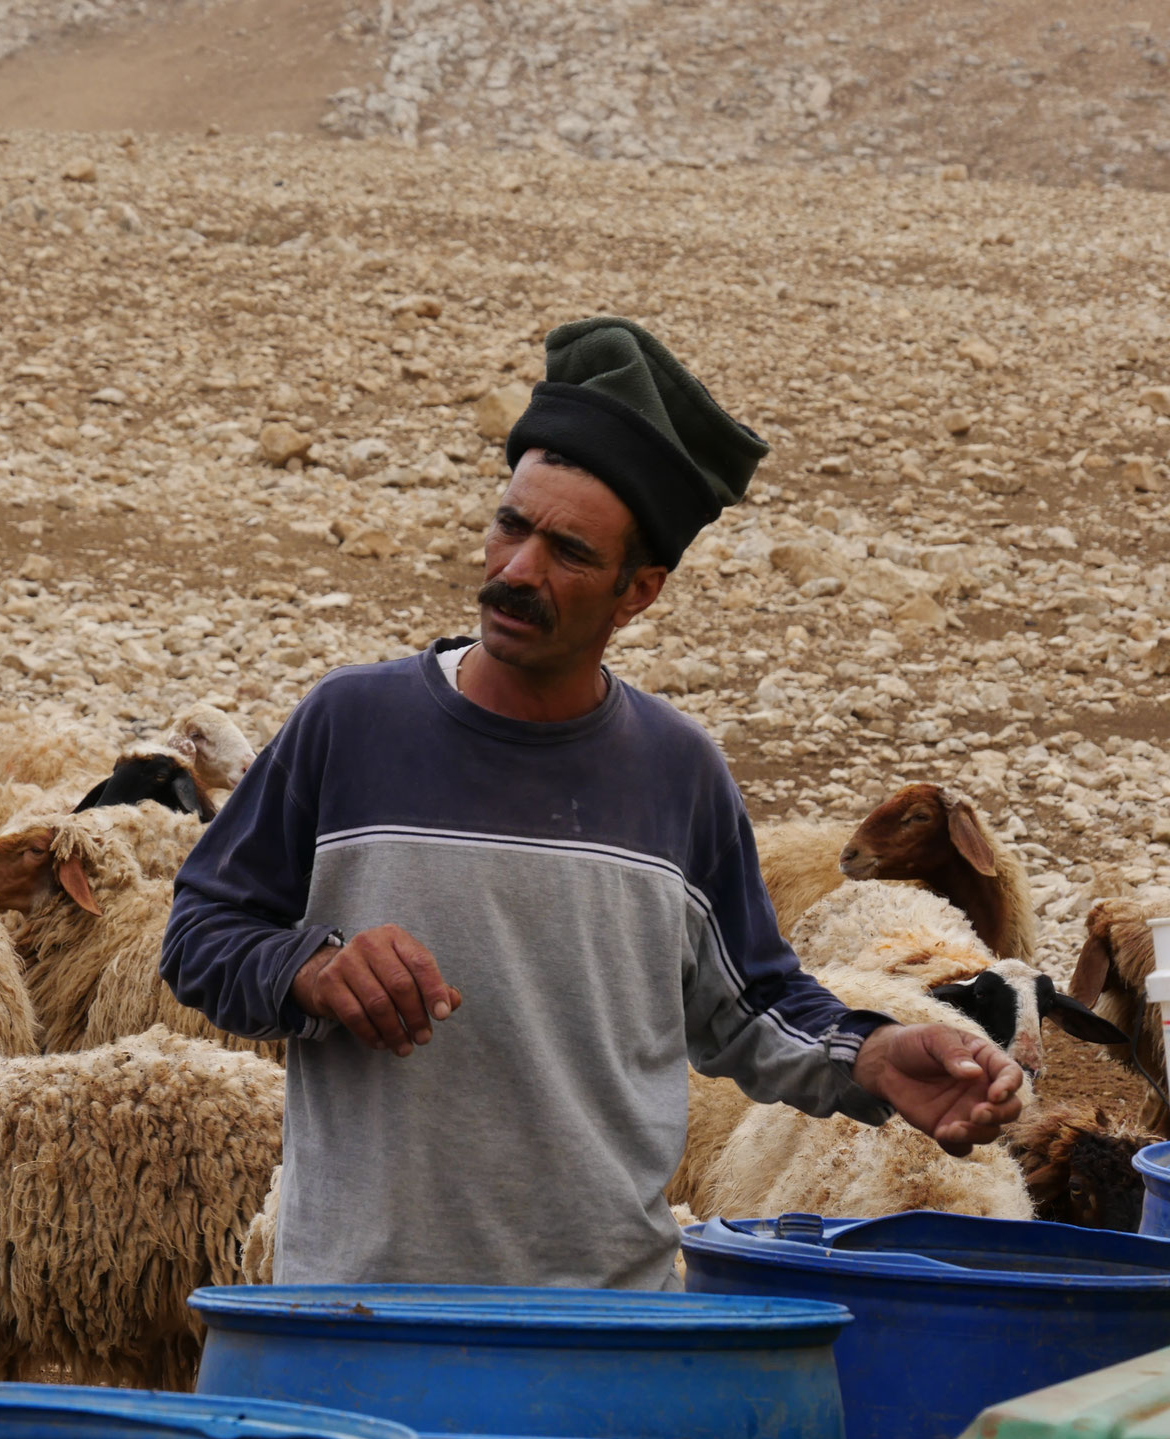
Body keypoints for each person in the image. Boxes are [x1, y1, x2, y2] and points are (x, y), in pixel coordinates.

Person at [160, 318, 1024, 1291]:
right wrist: (307, 968)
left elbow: (750, 1010)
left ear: (637, 592)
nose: (516, 570)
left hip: (602, 1324)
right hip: (359, 1311)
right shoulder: (349, 727)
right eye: (510, 525)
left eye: (567, 551)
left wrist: (876, 1055)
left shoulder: (677, 774)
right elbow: (198, 932)